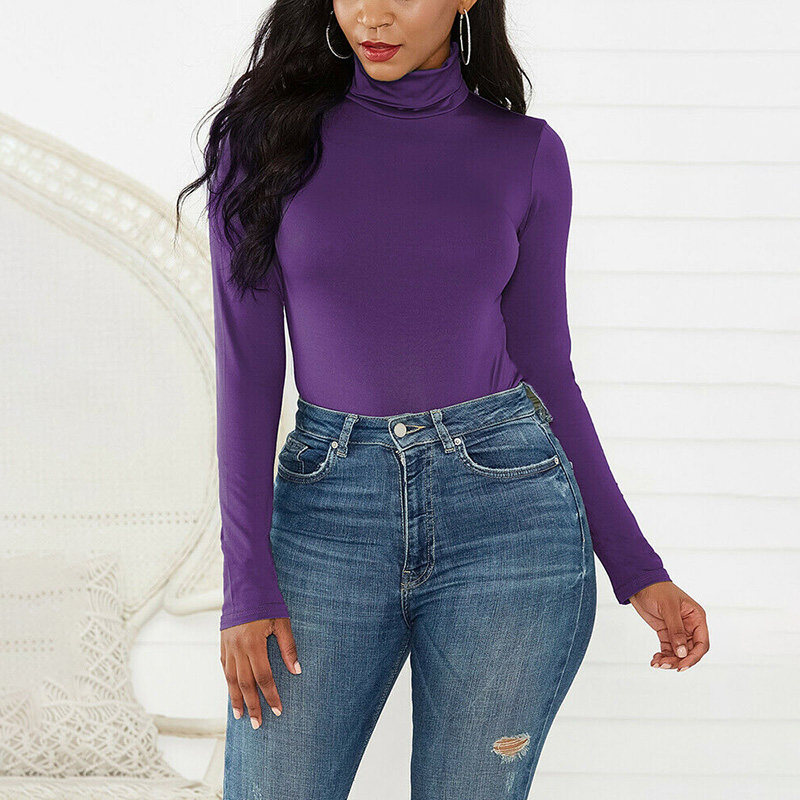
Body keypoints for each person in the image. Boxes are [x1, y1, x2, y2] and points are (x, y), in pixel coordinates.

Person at [177, 2, 709, 797]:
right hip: (328, 519)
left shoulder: (525, 153)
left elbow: (546, 370)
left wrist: (637, 568)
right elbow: (248, 369)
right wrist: (246, 580)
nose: (372, 14)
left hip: (509, 518)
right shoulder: (262, 144)